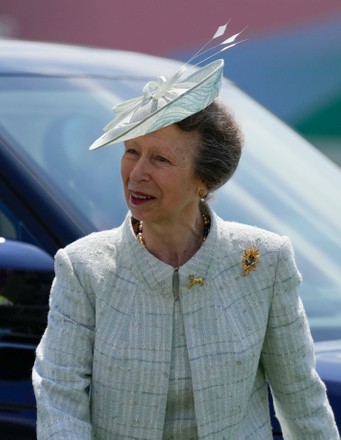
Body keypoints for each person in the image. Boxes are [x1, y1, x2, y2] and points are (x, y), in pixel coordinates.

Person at [32, 26, 339, 440]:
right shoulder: (83, 268)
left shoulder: (265, 260)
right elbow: (59, 397)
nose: (137, 174)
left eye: (160, 159)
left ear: (204, 181)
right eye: (131, 151)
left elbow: (300, 396)